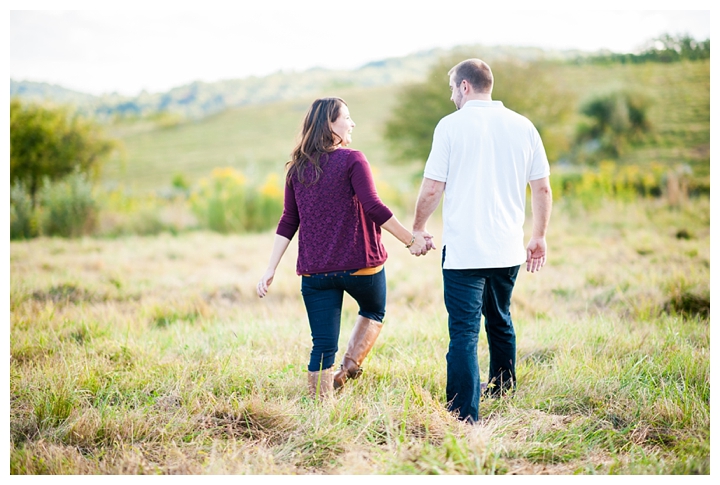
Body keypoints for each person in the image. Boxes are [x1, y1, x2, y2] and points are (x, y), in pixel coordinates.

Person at [410, 58, 553, 423]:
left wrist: (417, 227)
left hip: (463, 252)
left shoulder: (450, 127)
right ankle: (503, 389)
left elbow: (432, 188)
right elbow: (542, 187)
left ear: (465, 86)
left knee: (463, 332)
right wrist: (538, 236)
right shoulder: (523, 126)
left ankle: (462, 414)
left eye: (452, 89)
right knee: (500, 319)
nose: (451, 97)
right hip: (507, 249)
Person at [256, 97, 427, 400]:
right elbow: (373, 206)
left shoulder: (296, 169)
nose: (352, 123)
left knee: (322, 344)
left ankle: (320, 409)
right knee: (374, 309)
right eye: (347, 118)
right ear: (330, 125)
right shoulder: (352, 159)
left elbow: (287, 221)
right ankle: (347, 370)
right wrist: (410, 240)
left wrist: (270, 269)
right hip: (361, 266)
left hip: (315, 272)